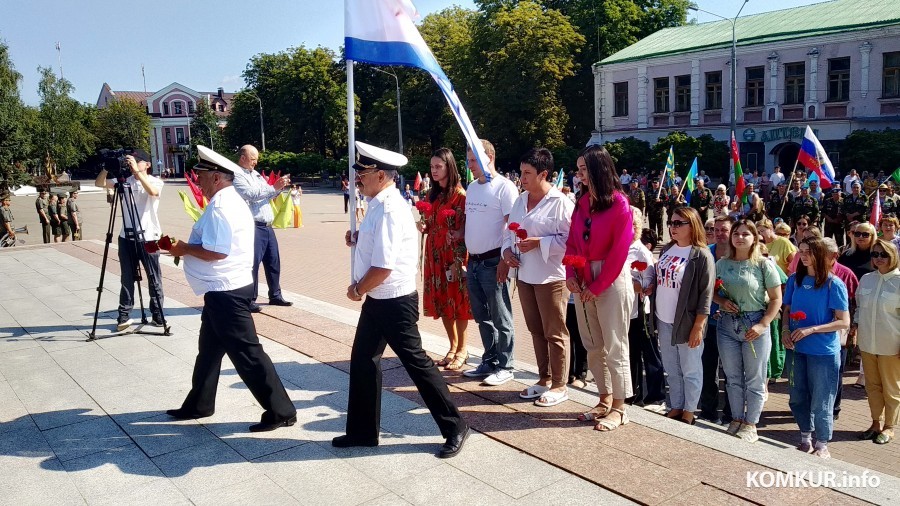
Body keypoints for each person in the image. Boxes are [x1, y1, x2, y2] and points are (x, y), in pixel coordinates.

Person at [336, 141, 469, 458]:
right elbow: (377, 248)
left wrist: (358, 289)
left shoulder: (390, 208)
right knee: (363, 361)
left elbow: (383, 266)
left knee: (418, 365)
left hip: (392, 300)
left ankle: (455, 426)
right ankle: (363, 432)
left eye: (363, 173)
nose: (358, 178)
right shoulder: (379, 203)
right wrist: (358, 238)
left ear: (380, 175)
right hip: (381, 299)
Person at [166, 145, 296, 432]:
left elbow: (217, 251)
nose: (197, 180)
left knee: (249, 354)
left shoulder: (222, 206)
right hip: (223, 289)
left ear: (216, 177)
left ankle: (281, 410)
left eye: (200, 175)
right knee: (209, 351)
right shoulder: (229, 200)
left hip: (227, 291)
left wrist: (182, 248)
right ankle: (199, 404)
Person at [565, 145, 635, 431]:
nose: (580, 175)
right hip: (583, 276)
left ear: (598, 170)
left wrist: (597, 285)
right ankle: (604, 399)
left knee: (615, 345)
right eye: (579, 169)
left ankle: (620, 407)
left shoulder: (620, 203)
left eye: (584, 169)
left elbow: (619, 251)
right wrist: (570, 272)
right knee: (592, 343)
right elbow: (571, 242)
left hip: (610, 278)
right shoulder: (581, 204)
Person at [502, 148, 574, 407]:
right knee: (535, 329)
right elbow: (508, 232)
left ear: (544, 174)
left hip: (551, 276)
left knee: (554, 331)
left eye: (527, 173)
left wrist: (539, 243)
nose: (521, 178)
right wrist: (506, 252)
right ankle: (543, 378)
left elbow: (570, 240)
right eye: (521, 172)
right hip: (524, 273)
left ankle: (559, 384)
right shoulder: (519, 200)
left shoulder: (561, 202)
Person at [714, 219, 783, 442]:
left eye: (745, 234)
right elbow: (710, 291)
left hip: (755, 324)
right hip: (727, 324)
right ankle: (736, 418)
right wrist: (721, 302)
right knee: (732, 377)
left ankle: (751, 423)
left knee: (754, 377)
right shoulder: (722, 264)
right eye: (736, 233)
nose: (740, 237)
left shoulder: (764, 264)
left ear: (755, 238)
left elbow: (775, 299)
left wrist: (763, 324)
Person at [783, 237, 850, 459]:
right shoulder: (795, 280)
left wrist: (811, 329)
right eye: (801, 251)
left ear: (820, 255)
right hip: (797, 349)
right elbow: (787, 309)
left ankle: (822, 444)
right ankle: (805, 438)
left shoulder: (834, 284)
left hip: (823, 352)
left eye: (809, 251)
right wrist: (785, 330)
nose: (803, 255)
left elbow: (843, 322)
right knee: (797, 396)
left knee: (822, 400)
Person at [461, 140, 519, 387]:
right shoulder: (472, 188)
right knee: (481, 315)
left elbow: (512, 226)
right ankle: (490, 359)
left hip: (494, 260)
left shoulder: (505, 188)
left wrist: (506, 259)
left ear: (490, 157)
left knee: (501, 315)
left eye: (473, 160)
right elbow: (470, 222)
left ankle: (506, 365)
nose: (470, 165)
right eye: (468, 160)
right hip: (473, 262)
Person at [653, 206, 715, 425]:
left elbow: (706, 295)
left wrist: (699, 325)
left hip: (688, 322)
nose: (673, 227)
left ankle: (690, 410)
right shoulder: (667, 249)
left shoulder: (701, 255)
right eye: (671, 222)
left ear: (693, 225)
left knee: (690, 368)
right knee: (672, 367)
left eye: (679, 223)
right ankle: (676, 405)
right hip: (663, 318)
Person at [95, 150, 165, 331]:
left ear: (147, 164)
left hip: (149, 237)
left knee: (153, 277)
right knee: (127, 278)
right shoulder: (125, 182)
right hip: (126, 237)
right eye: (131, 162)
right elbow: (99, 183)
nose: (133, 164)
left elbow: (153, 192)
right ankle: (124, 316)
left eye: (138, 161)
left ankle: (157, 314)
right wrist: (107, 168)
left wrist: (138, 173)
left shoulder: (155, 180)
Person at [420, 148, 472, 372]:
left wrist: (459, 254)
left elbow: (466, 228)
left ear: (449, 167)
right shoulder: (432, 195)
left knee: (457, 300)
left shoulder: (460, 196)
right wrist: (423, 226)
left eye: (438, 166)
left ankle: (463, 348)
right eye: (432, 167)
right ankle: (452, 346)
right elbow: (430, 224)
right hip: (434, 255)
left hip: (454, 254)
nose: (434, 171)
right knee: (441, 300)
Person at [232, 145, 293, 312]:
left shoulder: (256, 175)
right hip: (253, 226)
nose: (255, 162)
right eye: (253, 159)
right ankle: (250, 299)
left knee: (273, 261)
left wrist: (278, 188)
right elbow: (251, 194)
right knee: (253, 264)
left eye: (256, 159)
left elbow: (267, 194)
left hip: (267, 225)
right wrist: (273, 188)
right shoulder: (237, 176)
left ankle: (275, 295)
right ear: (243, 158)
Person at [855, 239, 900, 445]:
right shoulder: (866, 279)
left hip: (891, 345)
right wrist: (854, 330)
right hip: (867, 343)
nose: (879, 259)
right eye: (875, 254)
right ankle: (875, 423)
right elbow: (858, 308)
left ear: (893, 256)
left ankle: (890, 427)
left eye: (884, 255)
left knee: (891, 388)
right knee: (872, 386)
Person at [626, 207, 665, 408]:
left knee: (649, 353)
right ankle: (633, 393)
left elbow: (647, 285)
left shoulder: (642, 252)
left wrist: (625, 281)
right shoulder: (618, 246)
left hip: (641, 311)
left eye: (633, 224)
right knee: (630, 354)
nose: (629, 228)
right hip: (624, 311)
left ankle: (656, 395)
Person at [699, 215, 734, 424]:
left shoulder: (739, 256)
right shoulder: (706, 255)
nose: (719, 233)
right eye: (715, 229)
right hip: (708, 323)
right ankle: (708, 413)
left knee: (731, 373)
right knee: (707, 369)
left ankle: (731, 414)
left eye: (724, 230)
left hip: (731, 324)